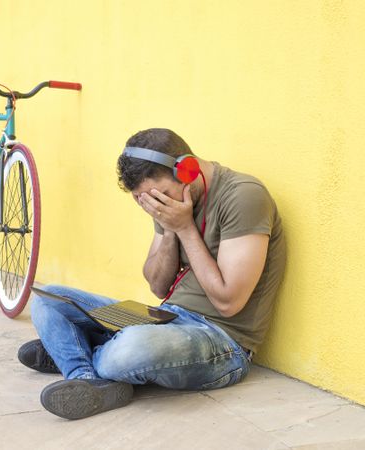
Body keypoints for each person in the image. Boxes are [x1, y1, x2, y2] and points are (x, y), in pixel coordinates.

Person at [18, 128, 286, 420]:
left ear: (188, 170)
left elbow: (229, 302)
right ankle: (86, 377)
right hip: (166, 318)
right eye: (147, 201)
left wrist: (184, 228)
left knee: (131, 349)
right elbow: (158, 285)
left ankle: (77, 350)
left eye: (162, 197)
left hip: (222, 341)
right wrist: (170, 228)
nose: (158, 206)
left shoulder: (244, 196)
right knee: (49, 299)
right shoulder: (169, 204)